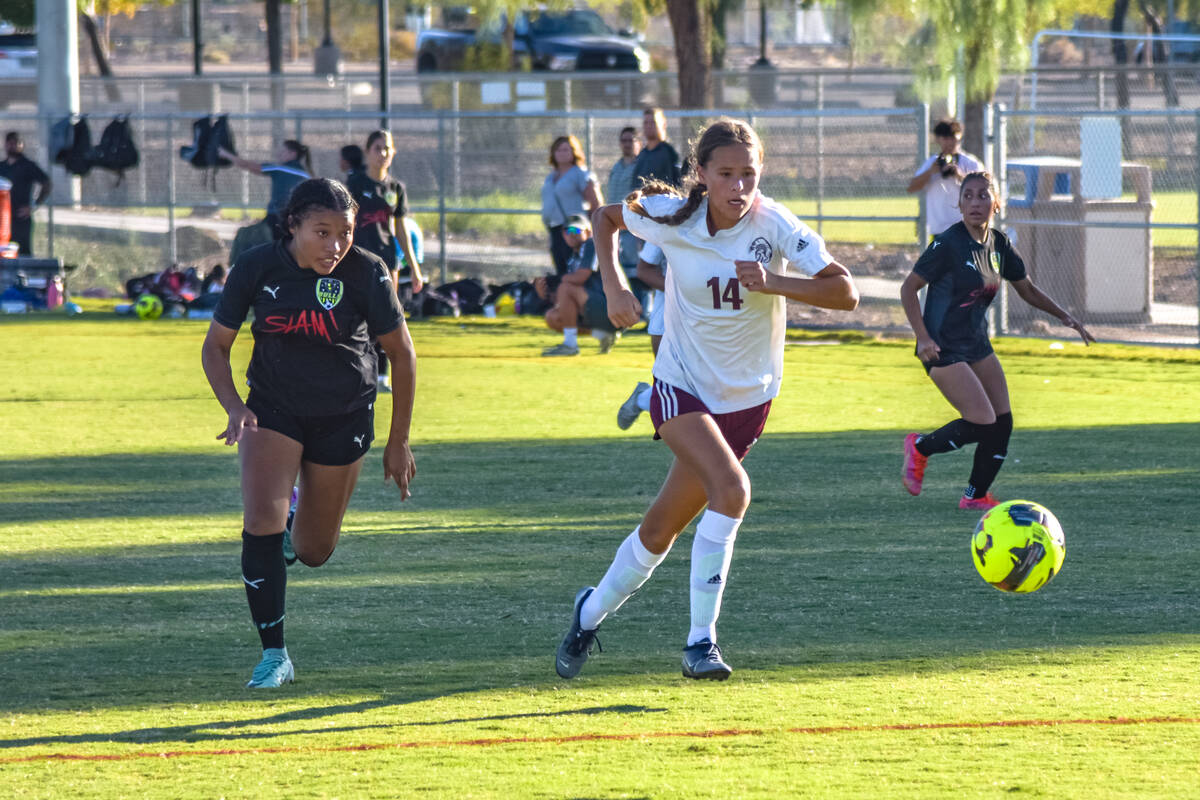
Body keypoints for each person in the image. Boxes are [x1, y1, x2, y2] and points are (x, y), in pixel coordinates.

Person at [556, 118, 859, 681]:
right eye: (725, 174)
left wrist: (775, 282)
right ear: (701, 172)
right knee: (733, 489)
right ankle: (701, 642)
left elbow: (845, 292)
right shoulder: (673, 215)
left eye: (749, 174)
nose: (738, 186)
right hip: (681, 386)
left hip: (748, 401)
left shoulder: (775, 223)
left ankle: (588, 614)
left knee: (658, 532)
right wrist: (615, 284)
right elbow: (605, 218)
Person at [200, 178, 418, 689]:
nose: (335, 245)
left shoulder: (368, 270)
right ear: (293, 226)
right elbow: (215, 347)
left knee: (315, 551)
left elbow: (403, 355)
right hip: (272, 409)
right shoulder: (257, 266)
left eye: (345, 232)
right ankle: (274, 655)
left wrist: (399, 440)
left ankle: (294, 518)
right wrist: (234, 407)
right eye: (322, 232)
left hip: (346, 414)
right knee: (261, 522)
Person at [899, 170, 1094, 511]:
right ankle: (919, 448)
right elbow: (908, 288)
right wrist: (923, 337)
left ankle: (974, 496)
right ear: (959, 205)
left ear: (997, 203)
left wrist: (1066, 317)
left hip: (976, 343)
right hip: (941, 346)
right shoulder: (947, 244)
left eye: (983, 195)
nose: (975, 202)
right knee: (981, 420)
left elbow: (1027, 289)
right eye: (968, 196)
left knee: (1002, 422)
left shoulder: (999, 244)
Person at [346, 130, 424, 393]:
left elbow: (400, 229)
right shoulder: (355, 184)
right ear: (367, 152)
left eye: (387, 148)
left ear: (394, 152)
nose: (382, 153)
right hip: (357, 259)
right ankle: (356, 371)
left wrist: (414, 268)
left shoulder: (396, 188)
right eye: (377, 148)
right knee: (357, 316)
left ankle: (382, 376)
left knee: (387, 316)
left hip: (386, 261)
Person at [541, 214, 619, 356]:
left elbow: (580, 278)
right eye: (567, 230)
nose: (571, 234)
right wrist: (547, 292)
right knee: (553, 316)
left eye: (576, 230)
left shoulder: (591, 244)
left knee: (565, 288)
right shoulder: (574, 255)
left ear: (588, 232)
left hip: (613, 308)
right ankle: (603, 335)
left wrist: (556, 281)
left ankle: (570, 346)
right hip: (596, 307)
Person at [616, 242, 666, 430]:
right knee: (676, 390)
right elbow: (644, 270)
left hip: (722, 320)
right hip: (669, 318)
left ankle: (644, 397)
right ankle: (644, 398)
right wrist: (687, 293)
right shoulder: (669, 224)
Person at [906, 118, 985, 238]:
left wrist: (960, 176)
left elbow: (985, 189)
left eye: (953, 138)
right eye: (945, 138)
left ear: (960, 137)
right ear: (938, 139)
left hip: (966, 228)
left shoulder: (970, 163)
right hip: (939, 230)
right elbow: (911, 188)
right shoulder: (932, 163)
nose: (950, 142)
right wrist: (930, 172)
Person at [541, 135, 603, 277]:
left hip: (574, 228)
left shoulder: (580, 173)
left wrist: (591, 227)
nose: (561, 153)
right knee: (560, 268)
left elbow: (595, 203)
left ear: (574, 152)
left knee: (573, 268)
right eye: (558, 150)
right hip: (555, 228)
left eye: (565, 150)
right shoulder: (551, 176)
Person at [219, 139, 312, 235]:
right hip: (298, 218)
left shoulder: (280, 169)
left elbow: (247, 165)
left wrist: (226, 154)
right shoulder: (306, 175)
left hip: (277, 217)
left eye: (282, 151)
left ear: (293, 154)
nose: (278, 154)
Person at [0, 132, 52, 256]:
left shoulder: (28, 165)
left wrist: (33, 206)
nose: (12, 146)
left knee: (22, 252)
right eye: (9, 143)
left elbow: (47, 184)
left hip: (20, 218)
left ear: (21, 145)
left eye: (16, 143)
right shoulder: (2, 167)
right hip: (3, 218)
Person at [607, 126, 641, 277]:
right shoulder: (616, 166)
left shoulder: (641, 166)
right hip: (616, 227)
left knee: (636, 273)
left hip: (633, 227)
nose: (627, 144)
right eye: (623, 141)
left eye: (630, 140)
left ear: (639, 143)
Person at [632, 108, 682, 190]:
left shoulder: (669, 153)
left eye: (653, 122)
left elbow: (677, 184)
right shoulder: (642, 155)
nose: (649, 126)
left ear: (663, 125)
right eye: (646, 123)